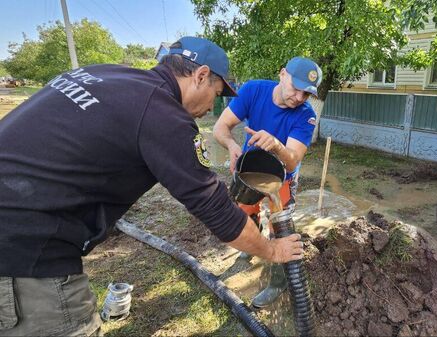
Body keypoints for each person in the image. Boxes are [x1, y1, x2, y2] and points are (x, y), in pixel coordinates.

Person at [0, 37, 303, 337]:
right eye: (217, 93)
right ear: (200, 76)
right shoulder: (163, 114)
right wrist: (273, 249)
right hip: (23, 248)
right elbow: (215, 208)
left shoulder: (105, 73)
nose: (213, 105)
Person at [213, 56, 322, 308]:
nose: (299, 98)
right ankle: (250, 245)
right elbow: (221, 126)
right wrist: (231, 145)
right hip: (250, 170)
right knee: (244, 211)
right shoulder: (253, 90)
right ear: (282, 74)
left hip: (281, 177)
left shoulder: (306, 116)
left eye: (306, 94)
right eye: (296, 88)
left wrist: (275, 144)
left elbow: (293, 161)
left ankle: (277, 282)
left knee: (280, 228)